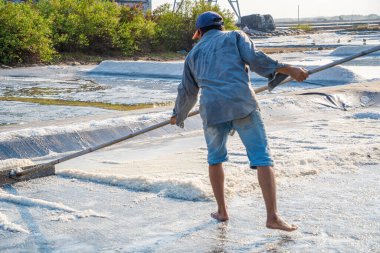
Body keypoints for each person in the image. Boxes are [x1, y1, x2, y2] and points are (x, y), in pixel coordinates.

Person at [170, 11, 308, 232]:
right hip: (241, 103)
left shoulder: (192, 55)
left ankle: (222, 211)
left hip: (212, 109)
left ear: (199, 32)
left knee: (215, 160)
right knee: (262, 158)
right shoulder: (234, 37)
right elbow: (256, 60)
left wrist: (178, 114)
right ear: (220, 27)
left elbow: (187, 91)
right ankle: (272, 217)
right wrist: (289, 68)